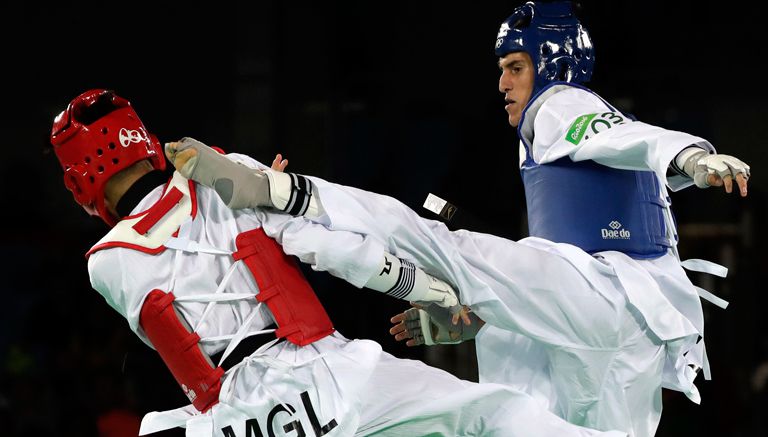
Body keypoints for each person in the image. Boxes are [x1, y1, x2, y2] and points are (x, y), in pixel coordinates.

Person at [162, 2, 751, 436]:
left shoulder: (558, 105)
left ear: (552, 64)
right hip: (635, 338)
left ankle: (278, 190)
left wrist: (689, 156)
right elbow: (566, 260)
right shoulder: (569, 133)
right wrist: (481, 318)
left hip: (609, 292)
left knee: (435, 242)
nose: (502, 83)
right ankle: (474, 310)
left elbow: (625, 137)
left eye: (515, 66)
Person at [49, 88, 627, 437]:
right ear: (142, 138)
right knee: (495, 416)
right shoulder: (221, 173)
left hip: (236, 418)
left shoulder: (106, 266)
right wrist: (432, 293)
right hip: (330, 377)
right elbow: (337, 252)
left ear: (79, 179)